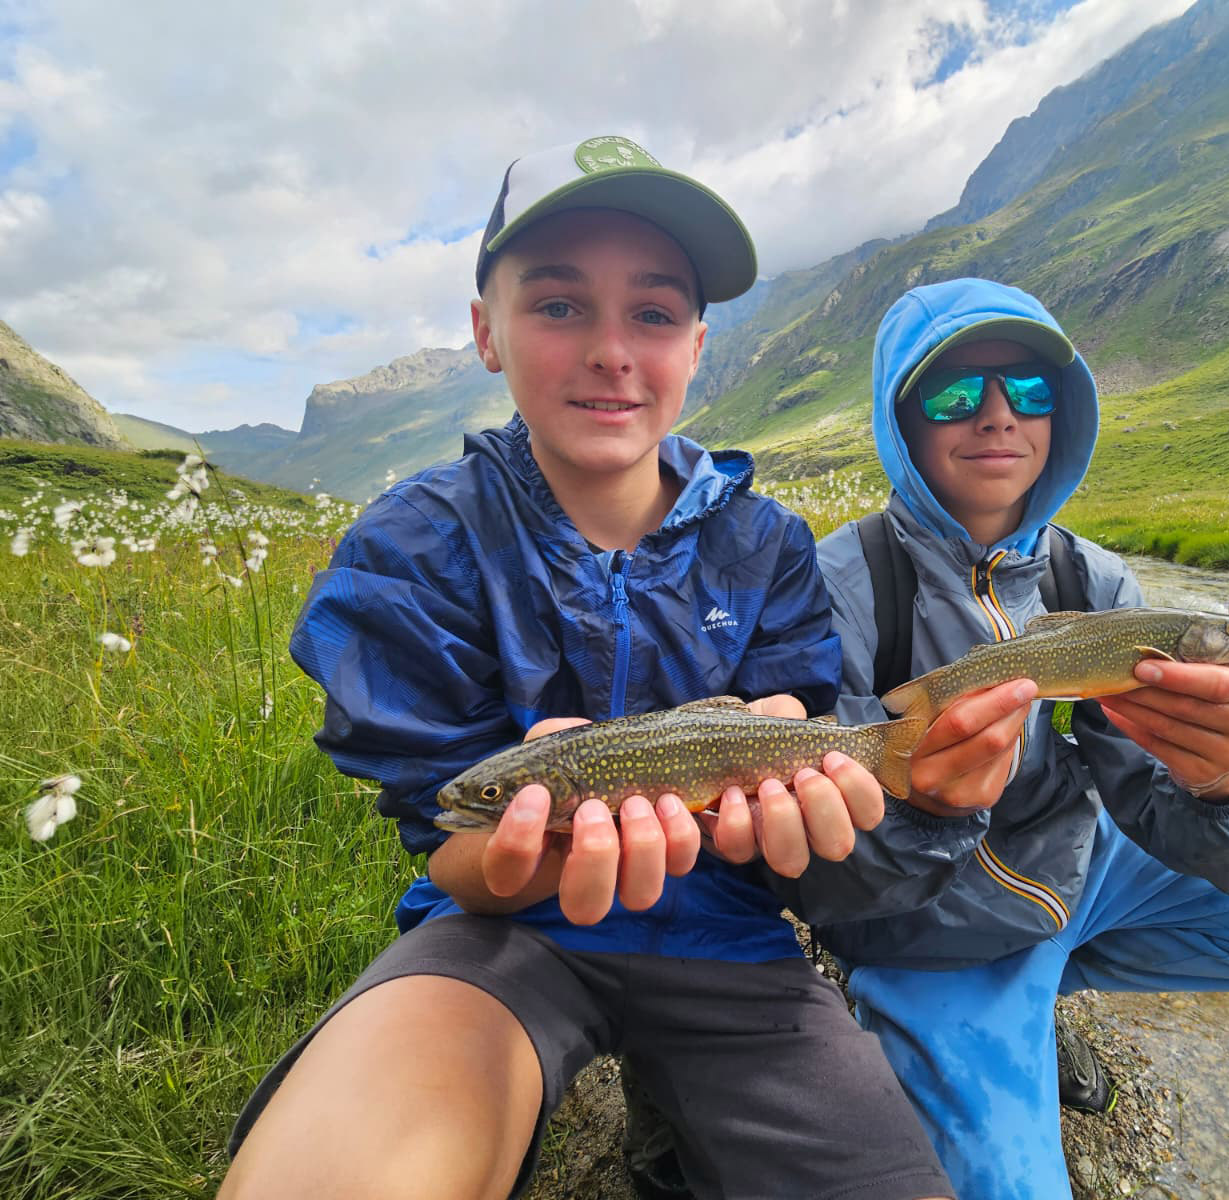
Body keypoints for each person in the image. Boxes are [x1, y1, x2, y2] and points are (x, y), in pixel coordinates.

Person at [217, 137, 954, 1200]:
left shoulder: (772, 548)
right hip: (499, 931)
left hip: (729, 936)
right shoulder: (410, 548)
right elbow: (448, 845)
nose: (612, 350)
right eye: (560, 305)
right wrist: (526, 853)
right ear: (486, 331)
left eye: (652, 313)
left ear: (698, 346)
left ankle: (677, 1125)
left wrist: (815, 813)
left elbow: (799, 816)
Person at [768, 277, 1229, 1199]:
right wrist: (926, 808)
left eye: (1028, 389)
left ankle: (1042, 981)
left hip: (1081, 873)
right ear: (899, 421)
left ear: (1060, 412)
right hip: (931, 934)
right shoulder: (835, 585)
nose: (997, 414)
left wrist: (1225, 782)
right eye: (953, 392)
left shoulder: (1093, 579)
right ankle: (956, 1007)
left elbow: (1146, 794)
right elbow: (812, 874)